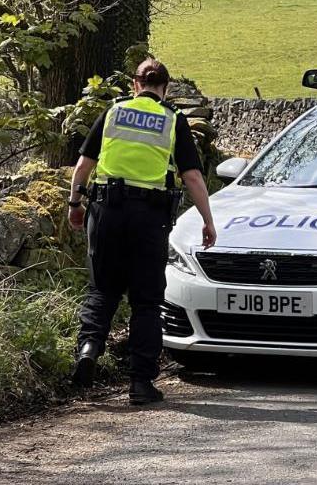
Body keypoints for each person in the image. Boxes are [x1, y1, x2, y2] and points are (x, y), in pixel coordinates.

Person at [67, 58, 216, 405]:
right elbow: (192, 176)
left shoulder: (113, 113)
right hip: (149, 217)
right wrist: (208, 220)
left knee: (102, 289)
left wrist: (75, 205)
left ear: (135, 85)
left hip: (106, 211)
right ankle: (141, 383)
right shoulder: (173, 120)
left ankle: (88, 349)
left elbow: (83, 166)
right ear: (164, 88)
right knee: (146, 301)